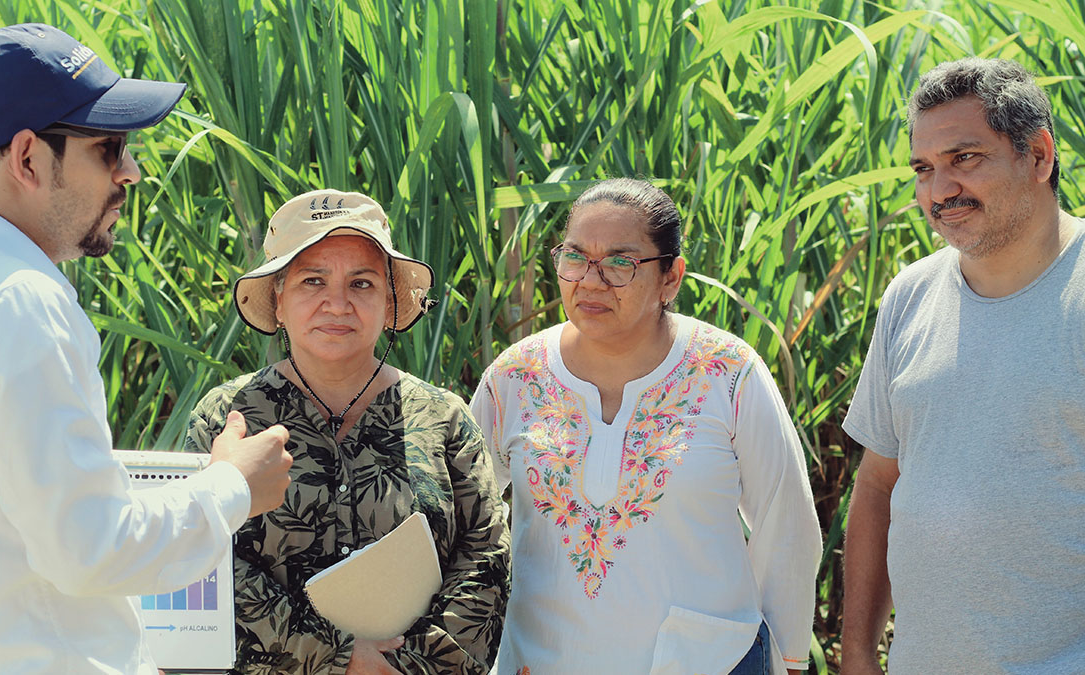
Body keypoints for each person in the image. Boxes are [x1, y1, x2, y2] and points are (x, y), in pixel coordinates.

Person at [0, 24, 294, 674]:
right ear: (27, 159)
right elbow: (88, 546)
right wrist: (233, 485)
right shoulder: (19, 302)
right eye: (109, 147)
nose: (131, 171)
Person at [469, 177, 822, 675]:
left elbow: (788, 525)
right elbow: (460, 521)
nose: (590, 281)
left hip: (707, 661)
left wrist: (788, 661)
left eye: (620, 262)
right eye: (575, 257)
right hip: (544, 660)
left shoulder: (726, 373)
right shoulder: (514, 378)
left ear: (670, 278)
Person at [183, 189, 510, 674]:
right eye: (312, 281)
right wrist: (335, 658)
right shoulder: (228, 417)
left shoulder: (444, 418)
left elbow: (485, 554)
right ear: (277, 299)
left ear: (388, 300)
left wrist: (407, 666)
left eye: (362, 284)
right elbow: (198, 555)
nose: (337, 304)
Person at [841, 57, 1085, 674]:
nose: (939, 190)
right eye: (924, 169)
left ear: (1038, 156)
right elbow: (877, 485)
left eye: (965, 158)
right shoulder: (909, 295)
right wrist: (859, 652)